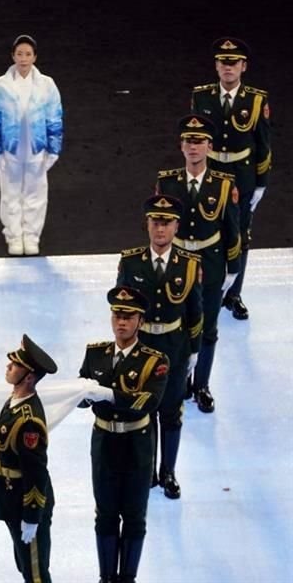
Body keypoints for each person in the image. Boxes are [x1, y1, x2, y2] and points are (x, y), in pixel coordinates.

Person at [79, 286, 170, 583]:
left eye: (129, 317)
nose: (122, 322)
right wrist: (79, 393)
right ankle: (106, 577)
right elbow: (81, 396)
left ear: (140, 322)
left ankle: (127, 578)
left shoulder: (155, 361)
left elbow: (148, 402)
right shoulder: (95, 355)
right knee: (104, 514)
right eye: (117, 315)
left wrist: (107, 394)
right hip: (104, 441)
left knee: (133, 516)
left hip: (136, 444)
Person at [116, 194, 202, 499]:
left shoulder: (189, 265)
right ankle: (147, 471)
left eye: (166, 223)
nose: (160, 229)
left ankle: (168, 472)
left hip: (173, 347)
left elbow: (195, 312)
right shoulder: (130, 262)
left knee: (171, 413)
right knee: (143, 412)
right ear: (147, 224)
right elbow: (121, 310)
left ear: (176, 226)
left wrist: (193, 351)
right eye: (155, 222)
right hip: (142, 347)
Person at [156, 115, 241, 414]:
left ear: (209, 146)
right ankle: (180, 381)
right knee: (180, 326)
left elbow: (232, 229)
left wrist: (232, 268)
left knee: (208, 329)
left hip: (211, 264)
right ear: (181, 146)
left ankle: (201, 385)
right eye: (188, 141)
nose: (193, 147)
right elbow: (160, 224)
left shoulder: (223, 186)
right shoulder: (167, 182)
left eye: (199, 141)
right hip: (178, 265)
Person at [190, 37, 271, 320]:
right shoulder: (202, 97)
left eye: (233, 63)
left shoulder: (256, 100)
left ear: (243, 66)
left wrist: (261, 183)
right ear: (216, 65)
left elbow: (263, 144)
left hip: (242, 176)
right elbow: (194, 140)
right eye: (223, 63)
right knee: (207, 232)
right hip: (211, 174)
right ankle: (204, 290)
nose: (228, 68)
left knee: (240, 235)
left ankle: (234, 294)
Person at [0, 35, 63, 256]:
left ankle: (31, 236)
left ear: (35, 57)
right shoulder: (0, 86)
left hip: (36, 148)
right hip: (11, 149)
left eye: (28, 54)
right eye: (19, 54)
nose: (23, 58)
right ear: (13, 56)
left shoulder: (47, 85)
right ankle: (14, 236)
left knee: (36, 195)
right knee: (10, 194)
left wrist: (53, 149)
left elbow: (54, 117)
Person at [0, 335, 57, 583]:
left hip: (25, 502)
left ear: (29, 377)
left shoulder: (29, 420)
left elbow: (36, 472)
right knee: (25, 565)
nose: (9, 367)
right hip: (11, 497)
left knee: (36, 573)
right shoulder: (15, 401)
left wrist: (32, 517)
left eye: (15, 365)